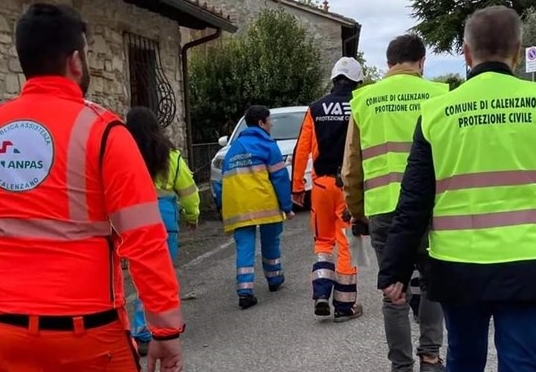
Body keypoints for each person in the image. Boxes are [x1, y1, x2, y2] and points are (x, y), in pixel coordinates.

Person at [0, 3, 185, 372]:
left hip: (1, 331)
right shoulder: (105, 133)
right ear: (76, 61)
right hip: (87, 334)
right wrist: (165, 331)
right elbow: (144, 240)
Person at [378, 6, 536, 372]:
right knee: (521, 363)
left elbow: (414, 201)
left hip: (459, 268)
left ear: (466, 53)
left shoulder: (437, 113)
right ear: (518, 51)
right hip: (530, 265)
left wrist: (396, 270)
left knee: (464, 359)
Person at [342, 34, 450, 372]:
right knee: (433, 285)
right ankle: (430, 356)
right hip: (433, 210)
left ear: (388, 64)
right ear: (422, 62)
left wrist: (357, 213)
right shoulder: (441, 96)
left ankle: (400, 366)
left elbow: (351, 168)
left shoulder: (364, 100)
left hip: (384, 210)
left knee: (394, 290)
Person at [291, 56, 365, 322]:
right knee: (346, 244)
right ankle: (345, 306)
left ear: (334, 79)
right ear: (357, 81)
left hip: (321, 185)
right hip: (348, 186)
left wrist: (297, 186)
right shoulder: (360, 106)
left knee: (323, 242)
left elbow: (301, 150)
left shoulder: (315, 108)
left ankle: (321, 293)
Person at [125, 106, 200, 355]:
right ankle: (147, 329)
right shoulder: (170, 156)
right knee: (159, 277)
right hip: (164, 221)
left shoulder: (125, 153)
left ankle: (141, 328)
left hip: (131, 221)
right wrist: (192, 216)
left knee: (140, 275)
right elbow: (188, 191)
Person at [212, 105, 294, 310]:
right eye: (269, 121)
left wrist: (223, 207)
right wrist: (287, 206)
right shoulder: (268, 145)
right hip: (264, 203)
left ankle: (245, 291)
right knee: (271, 241)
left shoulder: (234, 149)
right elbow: (280, 178)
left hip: (238, 208)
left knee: (244, 248)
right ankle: (274, 278)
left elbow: (220, 182)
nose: (272, 124)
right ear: (261, 123)